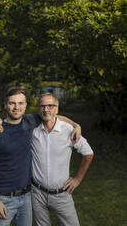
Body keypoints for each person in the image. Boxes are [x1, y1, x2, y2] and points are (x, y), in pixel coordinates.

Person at [0, 87, 81, 226]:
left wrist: (76, 125)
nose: (16, 107)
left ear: (26, 105)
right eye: (12, 103)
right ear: (5, 105)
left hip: (27, 198)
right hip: (3, 198)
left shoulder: (30, 121)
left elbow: (54, 116)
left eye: (20, 103)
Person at [31, 93, 94, 226]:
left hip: (61, 194)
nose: (46, 109)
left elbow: (88, 153)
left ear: (57, 109)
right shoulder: (32, 130)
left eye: (50, 106)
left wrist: (78, 179)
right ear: (38, 109)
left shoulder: (68, 130)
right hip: (37, 193)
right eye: (42, 106)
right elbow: (13, 121)